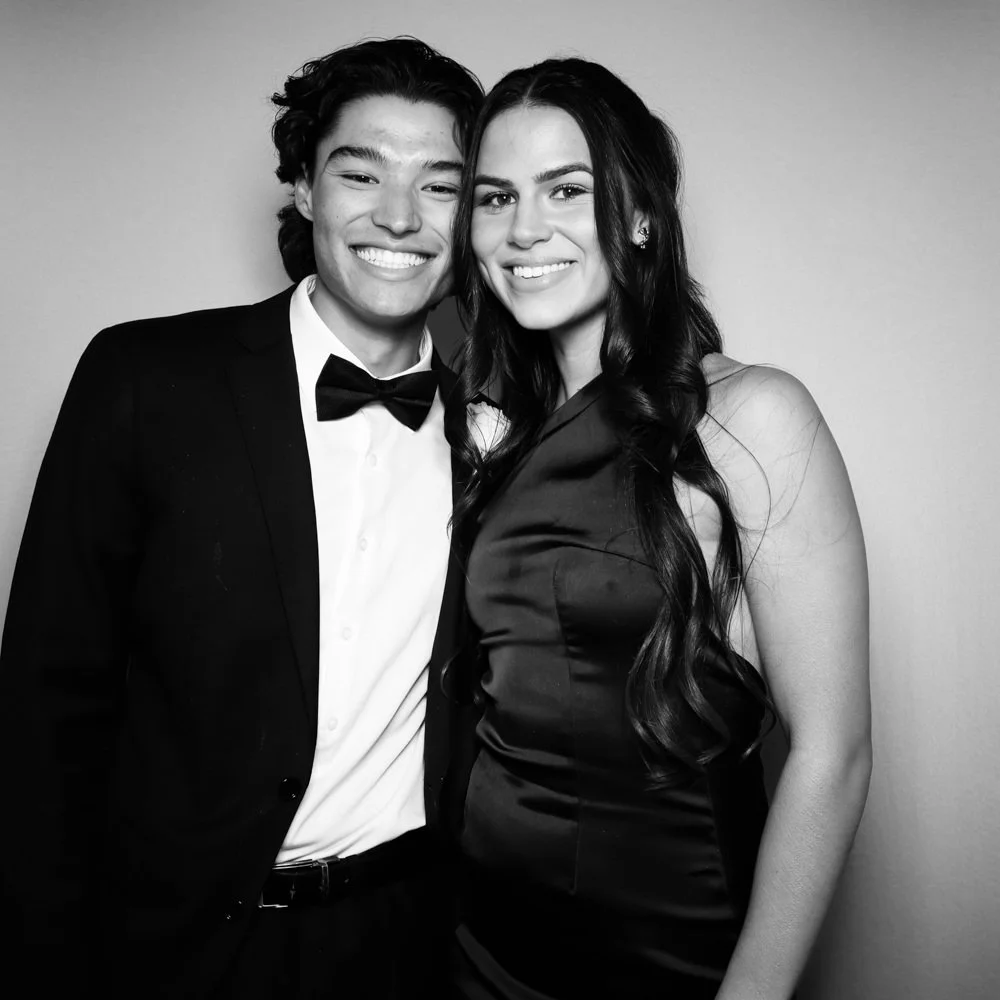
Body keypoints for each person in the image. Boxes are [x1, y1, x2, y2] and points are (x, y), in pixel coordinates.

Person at [0, 38, 485, 999]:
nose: (399, 215)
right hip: (167, 949)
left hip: (405, 948)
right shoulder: (144, 381)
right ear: (304, 187)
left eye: (440, 186)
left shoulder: (501, 436)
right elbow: (45, 708)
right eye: (360, 174)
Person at [444, 58, 872, 999]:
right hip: (479, 947)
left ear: (640, 215)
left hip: (666, 963)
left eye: (566, 189)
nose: (523, 229)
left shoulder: (750, 416)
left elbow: (832, 755)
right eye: (495, 197)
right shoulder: (495, 435)